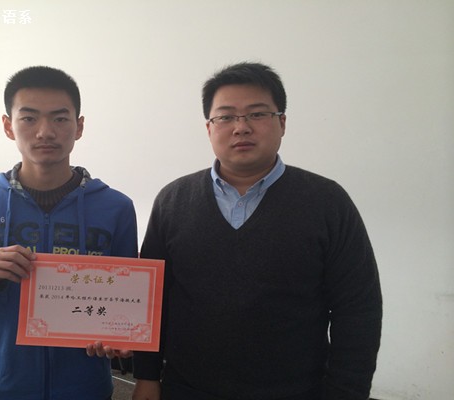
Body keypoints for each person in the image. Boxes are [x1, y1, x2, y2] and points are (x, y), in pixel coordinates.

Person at [132, 62, 382, 400]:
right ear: (209, 128)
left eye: (257, 114)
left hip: (297, 391)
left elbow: (358, 308)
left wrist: (346, 392)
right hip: (187, 388)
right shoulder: (173, 200)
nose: (241, 127)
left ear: (282, 123)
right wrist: (147, 376)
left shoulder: (328, 202)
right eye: (226, 117)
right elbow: (152, 298)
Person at [0, 66, 137, 400]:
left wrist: (118, 339)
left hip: (85, 389)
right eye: (29, 118)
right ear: (8, 126)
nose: (45, 132)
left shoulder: (115, 208)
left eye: (60, 118)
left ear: (79, 127)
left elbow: (128, 305)